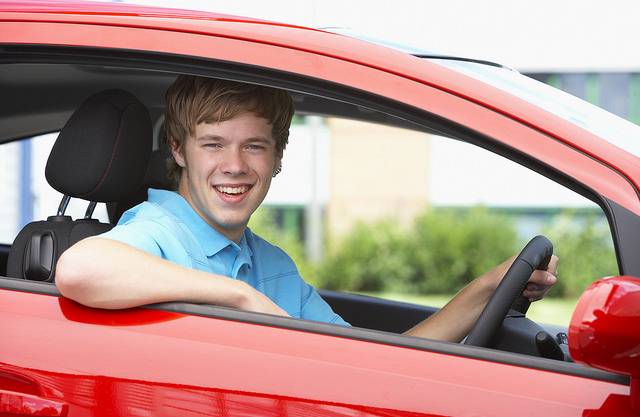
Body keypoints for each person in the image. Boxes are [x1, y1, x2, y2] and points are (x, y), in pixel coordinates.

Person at [55, 75, 558, 343]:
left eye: (254, 146)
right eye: (213, 144)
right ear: (178, 150)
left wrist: (488, 287)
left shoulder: (271, 263)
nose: (235, 165)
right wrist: (239, 298)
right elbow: (80, 269)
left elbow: (363, 360)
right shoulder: (160, 229)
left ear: (278, 158)